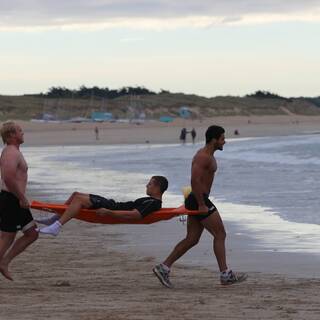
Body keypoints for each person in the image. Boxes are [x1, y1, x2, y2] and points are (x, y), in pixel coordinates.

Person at [153, 125, 247, 288]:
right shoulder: (203, 157)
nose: (225, 142)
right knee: (220, 234)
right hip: (198, 200)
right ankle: (225, 274)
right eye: (222, 138)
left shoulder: (207, 156)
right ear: (214, 139)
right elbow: (194, 181)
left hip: (196, 199)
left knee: (192, 239)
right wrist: (202, 204)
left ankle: (164, 267)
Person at [38, 176, 168, 237]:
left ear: (157, 187)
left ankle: (56, 227)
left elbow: (135, 215)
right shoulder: (151, 201)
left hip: (112, 208)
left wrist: (108, 213)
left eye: (150, 184)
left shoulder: (153, 203)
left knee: (78, 199)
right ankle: (54, 220)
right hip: (112, 204)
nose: (146, 185)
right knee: (76, 194)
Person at [0, 121, 38, 280]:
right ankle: (3, 262)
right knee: (7, 237)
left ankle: (4, 262)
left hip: (15, 199)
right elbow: (7, 177)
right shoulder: (11, 152)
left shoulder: (13, 151)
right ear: (11, 135)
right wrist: (21, 197)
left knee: (32, 233)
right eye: (19, 131)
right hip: (12, 199)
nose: (22, 133)